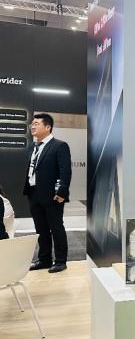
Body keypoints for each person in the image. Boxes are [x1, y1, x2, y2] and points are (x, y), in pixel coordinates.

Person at [23, 113, 72, 273]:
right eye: (32, 123)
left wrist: (62, 192)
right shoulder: (32, 147)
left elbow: (65, 171)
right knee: (41, 228)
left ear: (48, 127)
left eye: (36, 123)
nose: (32, 126)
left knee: (56, 228)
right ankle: (44, 260)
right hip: (33, 193)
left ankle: (60, 261)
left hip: (53, 195)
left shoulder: (59, 146)